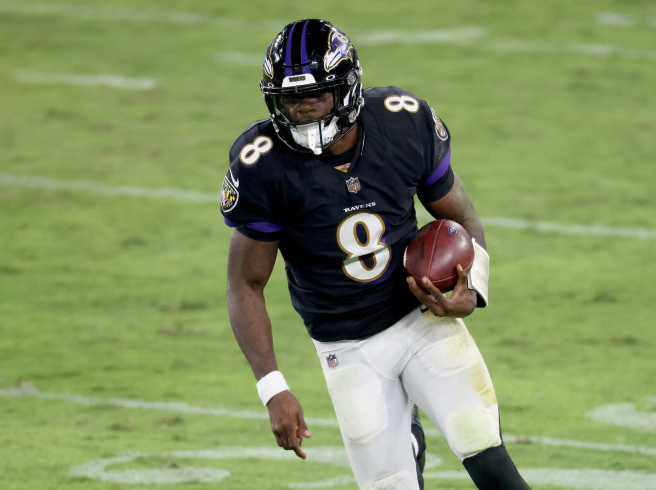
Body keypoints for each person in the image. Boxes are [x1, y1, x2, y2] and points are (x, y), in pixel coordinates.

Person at [220, 19, 530, 489]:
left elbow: (464, 219)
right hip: (347, 345)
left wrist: (473, 288)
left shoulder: (401, 123)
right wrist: (273, 388)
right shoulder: (263, 165)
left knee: (480, 443)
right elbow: (245, 285)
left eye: (316, 96)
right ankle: (409, 439)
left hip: (422, 317)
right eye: (290, 100)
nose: (302, 111)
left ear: (346, 91)